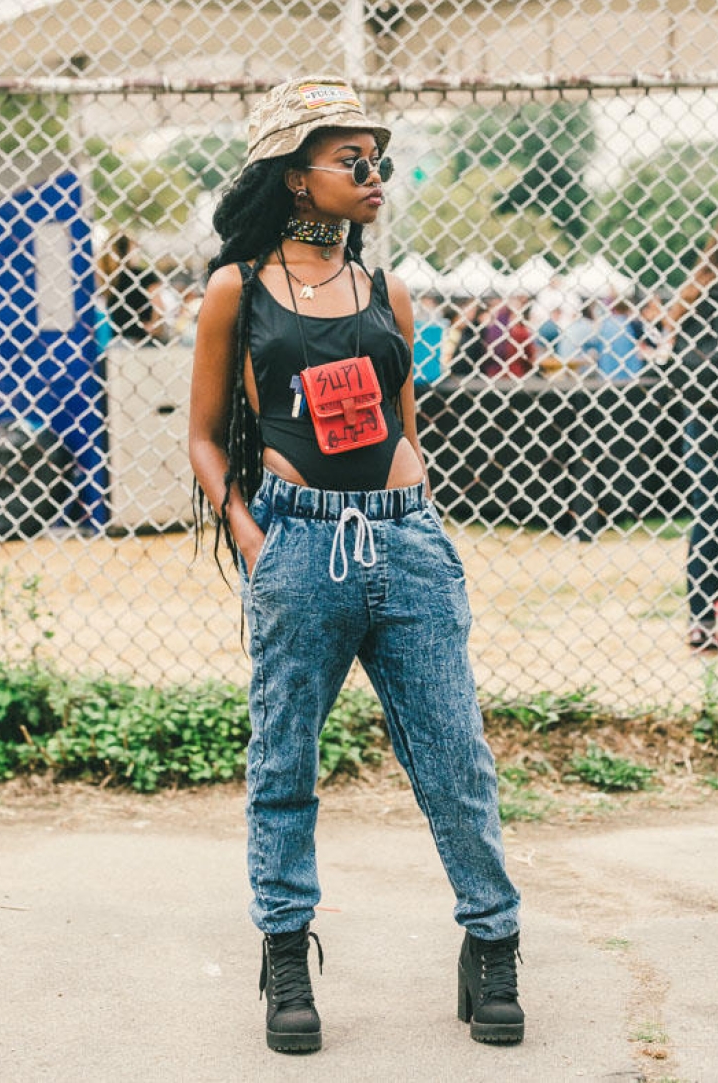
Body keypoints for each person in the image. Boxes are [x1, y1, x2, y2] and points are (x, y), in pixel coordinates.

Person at [188, 77, 523, 1056]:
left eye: (381, 156)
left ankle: (493, 941)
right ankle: (286, 955)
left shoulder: (391, 290)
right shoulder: (236, 288)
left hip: (405, 538)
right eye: (354, 159)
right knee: (284, 758)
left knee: (456, 756)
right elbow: (207, 439)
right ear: (298, 178)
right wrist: (253, 537)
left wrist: (415, 515)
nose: (378, 173)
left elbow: (403, 421)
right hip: (299, 539)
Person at [665, 216, 718, 653]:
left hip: (703, 420)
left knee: (710, 516)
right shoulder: (707, 297)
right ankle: (704, 617)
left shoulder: (696, 295)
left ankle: (707, 616)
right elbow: (696, 371)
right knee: (711, 516)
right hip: (710, 420)